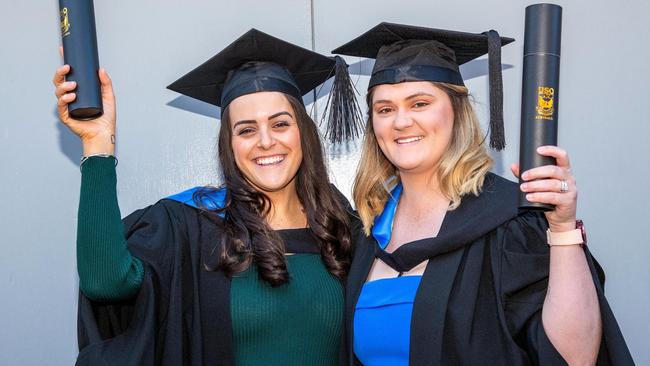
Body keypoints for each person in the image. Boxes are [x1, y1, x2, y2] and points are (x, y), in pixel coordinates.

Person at [53, 29, 362, 365]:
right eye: (245, 130)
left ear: (303, 132)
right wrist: (97, 147)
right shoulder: (193, 227)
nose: (265, 141)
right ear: (229, 146)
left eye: (280, 124)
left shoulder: (340, 225)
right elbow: (104, 283)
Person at [332, 22, 633, 365]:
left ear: (457, 112)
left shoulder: (511, 221)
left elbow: (575, 357)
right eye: (385, 109)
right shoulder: (366, 231)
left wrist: (563, 230)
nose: (400, 121)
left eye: (419, 103)